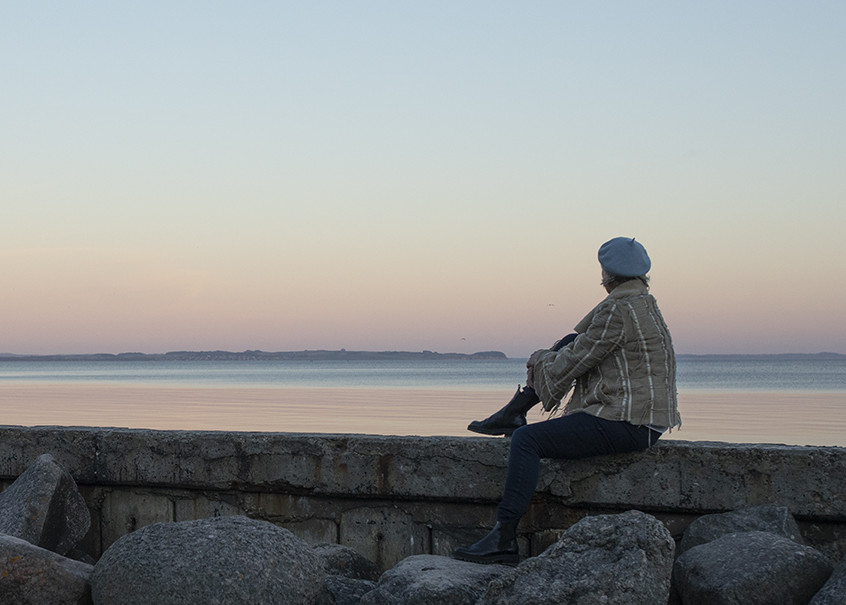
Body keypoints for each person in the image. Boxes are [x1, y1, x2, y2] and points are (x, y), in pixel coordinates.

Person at [453, 236, 681, 566]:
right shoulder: (643, 304)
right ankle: (514, 411)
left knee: (526, 440)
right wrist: (558, 351)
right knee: (571, 339)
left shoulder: (616, 311)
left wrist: (539, 358)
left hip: (628, 422)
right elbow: (582, 346)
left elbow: (569, 365)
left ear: (606, 275)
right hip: (646, 420)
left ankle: (503, 537)